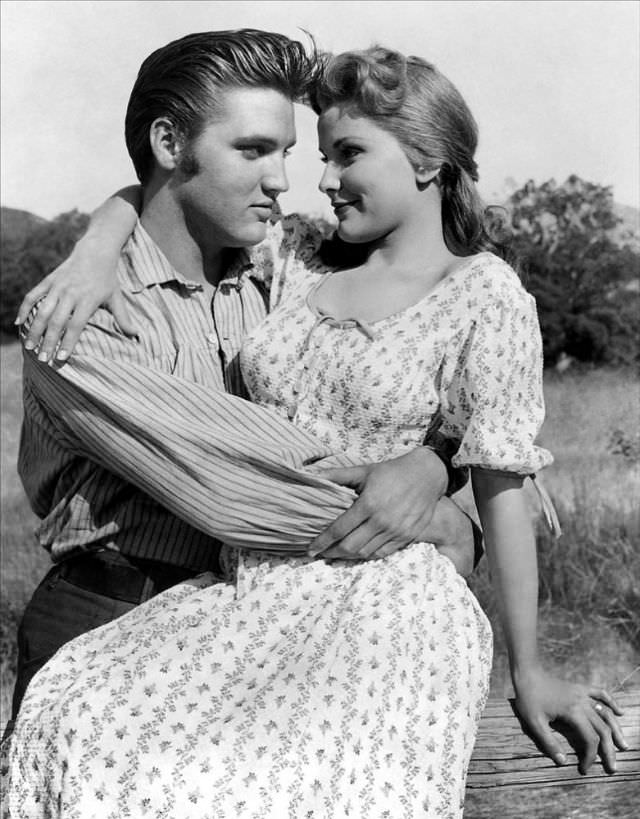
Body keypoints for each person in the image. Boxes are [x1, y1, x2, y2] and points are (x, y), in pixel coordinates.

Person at [5, 42, 626, 819]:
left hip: (325, 598)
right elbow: (241, 479)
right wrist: (99, 244)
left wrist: (438, 467)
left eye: (331, 153)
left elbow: (479, 451)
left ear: (431, 160)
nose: (307, 180)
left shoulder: (428, 287)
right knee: (95, 745)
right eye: (271, 151)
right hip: (175, 591)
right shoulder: (225, 276)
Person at [5, 31, 476, 727]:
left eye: (286, 152)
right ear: (170, 145)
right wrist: (434, 523)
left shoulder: (279, 277)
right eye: (252, 150)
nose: (282, 179)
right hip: (110, 612)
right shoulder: (78, 315)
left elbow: (422, 372)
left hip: (249, 613)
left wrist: (432, 464)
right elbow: (233, 483)